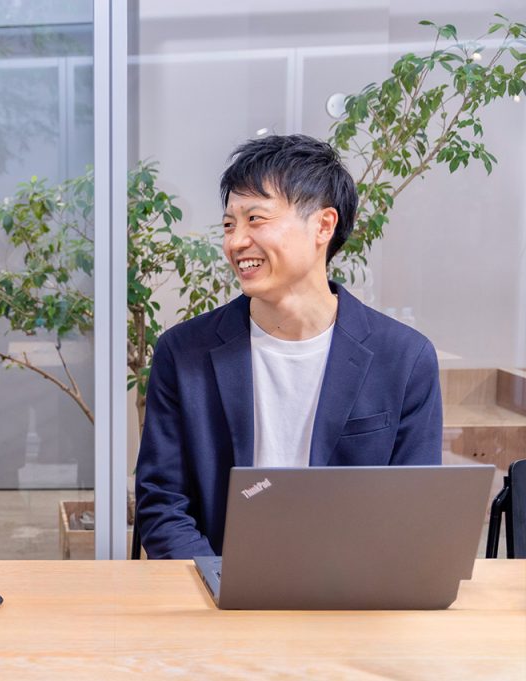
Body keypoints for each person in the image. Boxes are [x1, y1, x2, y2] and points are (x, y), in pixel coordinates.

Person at [135, 134, 442, 559]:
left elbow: (414, 511)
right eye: (229, 224)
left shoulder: (404, 358)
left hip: (351, 603)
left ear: (323, 225)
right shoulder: (183, 353)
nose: (236, 241)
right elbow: (163, 504)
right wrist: (223, 588)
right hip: (215, 601)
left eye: (256, 219)